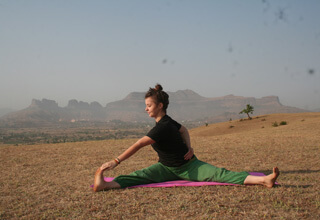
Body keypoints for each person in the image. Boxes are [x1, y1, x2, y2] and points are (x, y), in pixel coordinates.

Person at [93, 84, 279, 192]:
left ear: (160, 105)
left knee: (221, 174)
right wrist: (189, 147)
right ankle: (103, 185)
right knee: (138, 176)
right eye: (146, 105)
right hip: (165, 167)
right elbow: (184, 130)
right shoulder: (167, 122)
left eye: (149, 105)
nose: (146, 109)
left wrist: (116, 161)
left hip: (188, 167)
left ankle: (264, 180)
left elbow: (140, 143)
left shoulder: (163, 126)